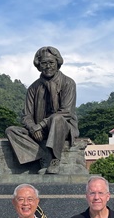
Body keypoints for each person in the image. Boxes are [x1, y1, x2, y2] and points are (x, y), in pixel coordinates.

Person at [5, 46, 78, 174]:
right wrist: (33, 127)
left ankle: (54, 160)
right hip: (39, 131)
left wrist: (41, 125)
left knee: (57, 118)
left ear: (57, 63)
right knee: (11, 130)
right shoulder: (33, 88)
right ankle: (42, 156)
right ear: (39, 66)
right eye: (44, 63)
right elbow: (26, 115)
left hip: (63, 127)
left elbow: (66, 112)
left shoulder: (68, 83)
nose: (48, 66)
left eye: (51, 63)